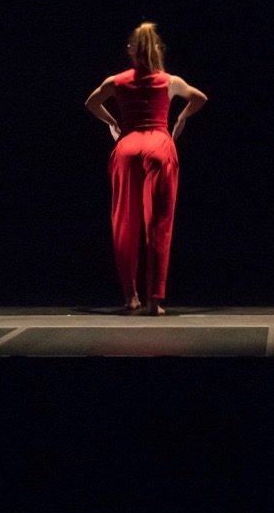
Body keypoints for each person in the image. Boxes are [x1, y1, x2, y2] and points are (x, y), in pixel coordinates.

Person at [84, 22, 208, 316]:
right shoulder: (169, 81)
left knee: (125, 224)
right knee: (158, 223)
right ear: (157, 50)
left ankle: (131, 297)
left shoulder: (116, 81)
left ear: (131, 50)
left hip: (127, 147)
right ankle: (155, 300)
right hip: (159, 147)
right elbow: (200, 98)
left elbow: (91, 102)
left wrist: (113, 123)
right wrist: (181, 120)